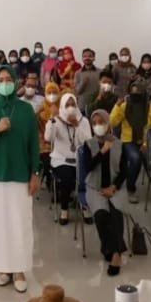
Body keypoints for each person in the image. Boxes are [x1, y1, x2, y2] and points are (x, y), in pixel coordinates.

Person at [0, 65, 40, 293]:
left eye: (8, 79)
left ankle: (19, 269)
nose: (4, 83)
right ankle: (3, 267)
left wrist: (35, 173)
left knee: (19, 223)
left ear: (15, 81)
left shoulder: (26, 110)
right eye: (0, 79)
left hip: (20, 175)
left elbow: (34, 144)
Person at [82, 109, 128, 276]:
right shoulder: (88, 144)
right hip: (95, 187)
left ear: (108, 124)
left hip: (115, 187)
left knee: (116, 213)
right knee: (101, 215)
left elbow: (124, 171)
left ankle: (115, 254)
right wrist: (102, 152)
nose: (98, 126)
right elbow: (88, 167)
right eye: (94, 123)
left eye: (101, 122)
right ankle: (111, 249)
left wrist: (113, 187)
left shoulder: (120, 144)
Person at [45, 93, 92, 225]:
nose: (70, 107)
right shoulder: (56, 120)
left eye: (73, 104)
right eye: (67, 105)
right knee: (67, 177)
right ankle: (64, 209)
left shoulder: (83, 121)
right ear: (62, 106)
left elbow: (88, 142)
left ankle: (84, 206)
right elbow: (48, 137)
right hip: (61, 159)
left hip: (79, 159)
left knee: (85, 175)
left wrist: (77, 125)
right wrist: (52, 119)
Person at [109, 80, 151, 203]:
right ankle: (131, 189)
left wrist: (145, 144)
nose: (136, 94)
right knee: (135, 158)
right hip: (128, 140)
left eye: (139, 92)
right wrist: (117, 106)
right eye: (133, 92)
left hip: (145, 141)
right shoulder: (125, 106)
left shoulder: (150, 108)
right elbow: (112, 122)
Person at [38, 82, 61, 194]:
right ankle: (50, 184)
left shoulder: (63, 108)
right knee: (47, 159)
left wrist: (57, 115)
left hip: (61, 143)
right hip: (44, 144)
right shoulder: (41, 111)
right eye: (49, 93)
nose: (52, 95)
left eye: (54, 92)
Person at [74, 48, 100, 115]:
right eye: (85, 56)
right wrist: (83, 83)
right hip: (83, 107)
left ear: (94, 58)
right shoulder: (78, 73)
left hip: (97, 106)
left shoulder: (100, 72)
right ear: (82, 58)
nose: (87, 58)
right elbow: (77, 92)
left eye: (90, 56)